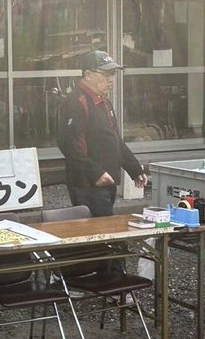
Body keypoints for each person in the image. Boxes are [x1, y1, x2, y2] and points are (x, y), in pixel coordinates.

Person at [58, 49, 148, 216]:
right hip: (87, 183)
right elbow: (69, 144)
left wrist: (134, 169)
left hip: (107, 180)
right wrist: (96, 173)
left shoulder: (103, 100)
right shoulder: (76, 102)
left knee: (106, 224)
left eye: (113, 74)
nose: (111, 79)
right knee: (97, 228)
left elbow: (115, 139)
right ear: (88, 75)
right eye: (106, 74)